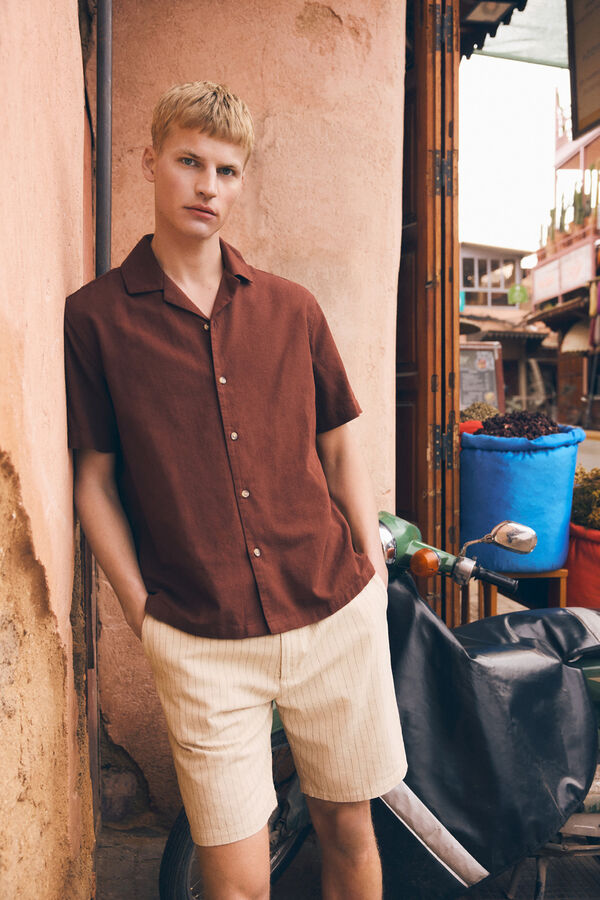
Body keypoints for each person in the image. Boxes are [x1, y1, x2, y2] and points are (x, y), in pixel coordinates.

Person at [64, 81, 406, 900]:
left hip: (331, 611)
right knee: (235, 879)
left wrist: (371, 561)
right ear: (152, 162)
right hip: (200, 635)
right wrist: (143, 612)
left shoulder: (292, 309)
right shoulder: (97, 319)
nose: (207, 186)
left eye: (225, 169)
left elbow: (338, 443)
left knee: (350, 835)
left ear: (241, 180)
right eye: (189, 162)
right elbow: (94, 481)